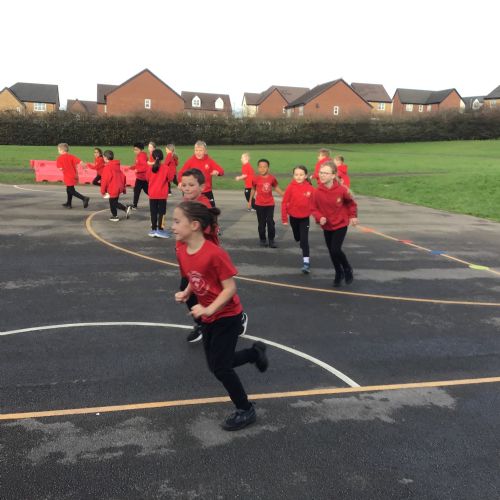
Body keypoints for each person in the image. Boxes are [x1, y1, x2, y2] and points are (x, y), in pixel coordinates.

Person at [173, 200, 267, 431]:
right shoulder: (183, 250)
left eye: (177, 221)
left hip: (227, 315)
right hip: (210, 317)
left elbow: (230, 289)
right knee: (217, 364)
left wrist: (208, 309)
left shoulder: (214, 254)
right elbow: (196, 278)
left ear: (194, 225)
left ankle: (245, 409)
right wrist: (186, 292)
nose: (172, 226)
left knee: (221, 368)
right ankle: (254, 353)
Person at [178, 169, 248, 343]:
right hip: (190, 258)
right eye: (184, 185)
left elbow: (204, 235)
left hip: (205, 260)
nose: (186, 188)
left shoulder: (202, 208)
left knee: (214, 290)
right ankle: (204, 322)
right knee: (196, 290)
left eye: (191, 185)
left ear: (202, 187)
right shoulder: (188, 204)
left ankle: (234, 319)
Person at [311, 160, 358, 287]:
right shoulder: (317, 192)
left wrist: (353, 216)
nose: (322, 175)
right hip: (327, 225)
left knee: (336, 249)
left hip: (341, 223)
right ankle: (339, 272)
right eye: (321, 173)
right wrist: (319, 217)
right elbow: (313, 208)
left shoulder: (341, 190)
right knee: (331, 251)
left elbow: (350, 203)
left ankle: (347, 268)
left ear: (333, 175)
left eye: (325, 173)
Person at [281, 165, 314, 273]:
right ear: (293, 175)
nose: (298, 177)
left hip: (305, 218)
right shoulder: (290, 187)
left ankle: (306, 263)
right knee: (297, 237)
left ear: (306, 176)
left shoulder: (310, 188)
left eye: (301, 175)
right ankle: (300, 240)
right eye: (296, 175)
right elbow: (284, 202)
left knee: (304, 241)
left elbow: (317, 201)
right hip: (293, 218)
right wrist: (284, 218)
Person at [248, 158, 284, 248]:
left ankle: (271, 240)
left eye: (264, 167)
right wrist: (249, 201)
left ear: (268, 168)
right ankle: (263, 239)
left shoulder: (272, 178)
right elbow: (253, 189)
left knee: (270, 222)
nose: (262, 169)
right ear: (258, 168)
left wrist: (284, 196)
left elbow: (276, 188)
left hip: (270, 204)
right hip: (259, 204)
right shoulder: (255, 179)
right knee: (261, 223)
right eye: (260, 167)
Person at [177, 140, 224, 207]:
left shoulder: (209, 161)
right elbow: (181, 173)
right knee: (192, 212)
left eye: (200, 150)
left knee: (212, 211)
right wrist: (180, 182)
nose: (198, 152)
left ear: (205, 151)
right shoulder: (190, 161)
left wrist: (218, 172)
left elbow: (221, 170)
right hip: (193, 192)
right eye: (196, 150)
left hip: (206, 191)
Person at [146, 149, 175, 238]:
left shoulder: (150, 168)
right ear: (162, 157)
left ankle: (154, 228)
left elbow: (147, 179)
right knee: (161, 212)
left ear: (153, 157)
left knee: (153, 212)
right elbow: (170, 178)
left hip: (152, 193)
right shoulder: (166, 168)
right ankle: (160, 229)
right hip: (162, 194)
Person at [56, 143, 90, 209]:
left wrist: (63, 168)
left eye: (58, 150)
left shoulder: (59, 158)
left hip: (68, 176)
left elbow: (60, 168)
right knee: (69, 189)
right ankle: (69, 203)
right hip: (74, 175)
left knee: (71, 190)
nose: (58, 151)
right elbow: (80, 162)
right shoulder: (71, 156)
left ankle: (84, 198)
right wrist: (84, 166)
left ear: (62, 150)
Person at [100, 150, 131, 222]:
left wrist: (103, 191)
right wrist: (123, 188)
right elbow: (123, 176)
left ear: (105, 158)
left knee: (113, 203)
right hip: (119, 187)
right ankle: (119, 213)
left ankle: (118, 214)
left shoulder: (107, 167)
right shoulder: (116, 166)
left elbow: (104, 180)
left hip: (113, 187)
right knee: (114, 202)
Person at [129, 142, 149, 209]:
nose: (135, 151)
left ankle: (157, 199)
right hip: (141, 178)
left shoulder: (142, 156)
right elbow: (138, 165)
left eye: (136, 150)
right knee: (138, 191)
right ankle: (134, 205)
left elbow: (145, 167)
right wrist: (132, 167)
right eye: (134, 149)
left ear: (141, 150)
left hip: (142, 178)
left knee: (145, 191)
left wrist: (137, 170)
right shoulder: (139, 155)